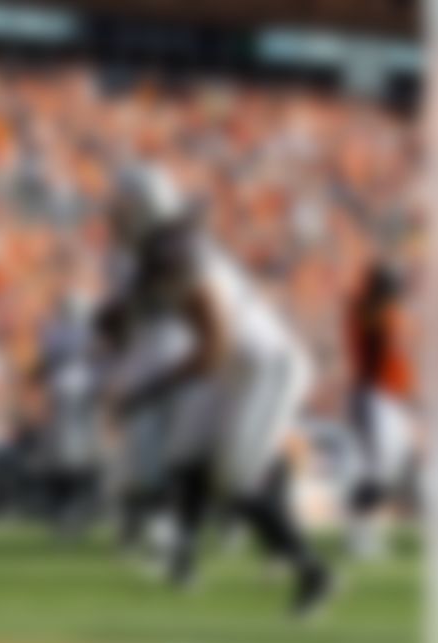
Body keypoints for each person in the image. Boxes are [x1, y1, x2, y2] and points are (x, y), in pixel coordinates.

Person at [105, 162, 334, 619]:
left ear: (144, 210)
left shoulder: (176, 252)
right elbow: (130, 307)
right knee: (186, 452)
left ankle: (312, 571)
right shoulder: (160, 251)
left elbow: (214, 343)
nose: (114, 217)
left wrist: (146, 392)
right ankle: (181, 557)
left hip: (265, 366)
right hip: (234, 364)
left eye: (123, 208)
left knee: (235, 478)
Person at [344, 258, 419, 559]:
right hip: (375, 396)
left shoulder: (382, 312)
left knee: (394, 466)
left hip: (386, 398)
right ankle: (359, 536)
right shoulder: (373, 312)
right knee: (380, 472)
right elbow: (383, 334)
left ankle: (364, 530)